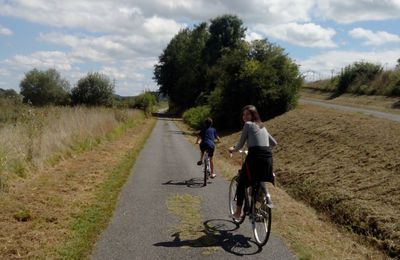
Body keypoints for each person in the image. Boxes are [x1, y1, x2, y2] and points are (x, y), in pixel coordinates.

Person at [229, 105, 277, 220]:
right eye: (244, 114)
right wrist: (263, 149)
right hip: (268, 157)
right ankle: (261, 203)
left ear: (253, 115)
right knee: (258, 179)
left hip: (254, 157)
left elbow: (240, 144)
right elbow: (274, 143)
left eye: (247, 114)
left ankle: (238, 213)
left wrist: (233, 149)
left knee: (241, 183)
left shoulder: (248, 125)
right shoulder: (262, 126)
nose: (245, 117)